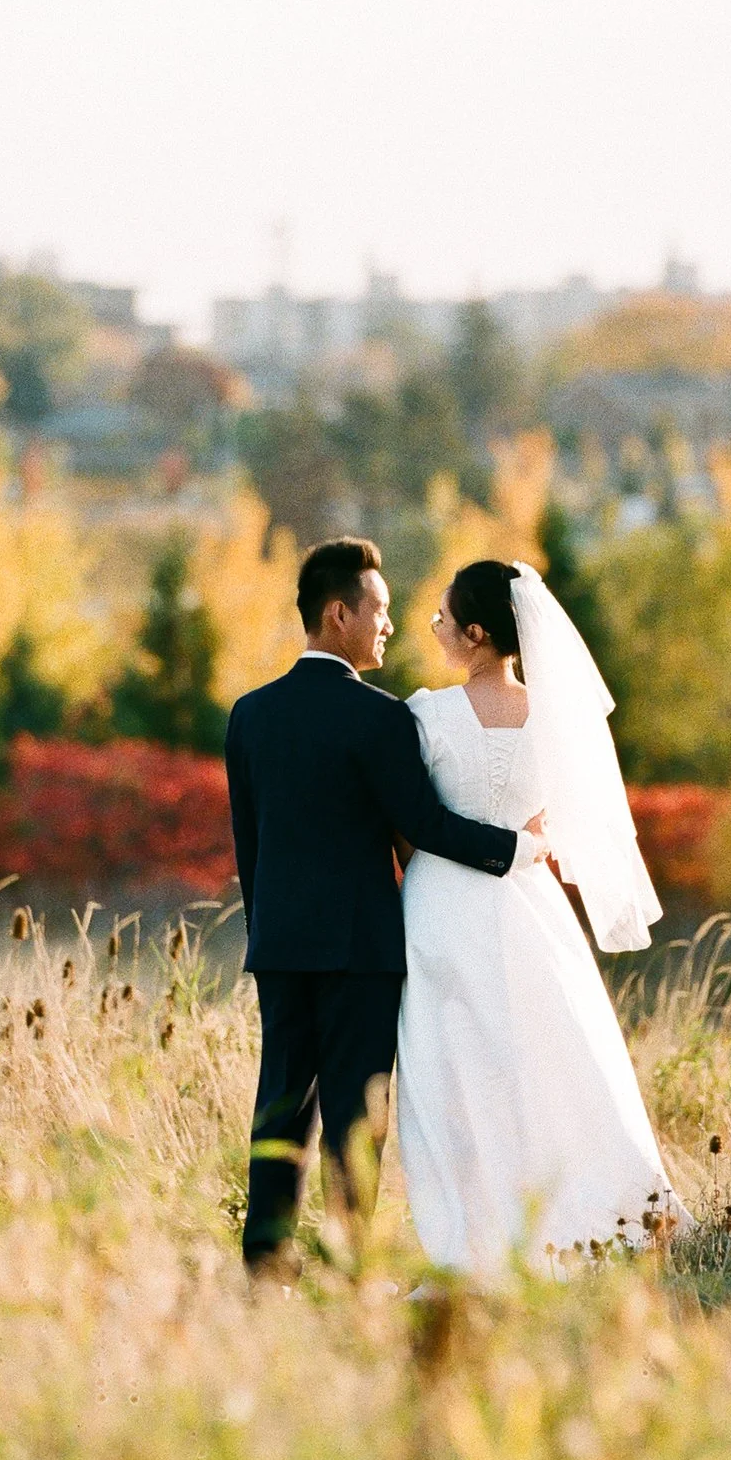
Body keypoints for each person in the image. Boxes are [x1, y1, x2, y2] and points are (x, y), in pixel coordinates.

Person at [223, 537, 547, 1278]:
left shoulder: (249, 716)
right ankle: (349, 1265)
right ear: (338, 614)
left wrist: (267, 934)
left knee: (279, 1108)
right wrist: (519, 850)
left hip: (279, 947)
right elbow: (426, 828)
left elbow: (251, 849)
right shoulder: (382, 719)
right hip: (363, 953)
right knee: (355, 1121)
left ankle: (264, 1266)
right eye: (380, 610)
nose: (389, 625)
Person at [395, 559, 689, 1279]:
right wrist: (529, 837)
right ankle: (574, 1216)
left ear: (475, 632)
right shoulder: (554, 720)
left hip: (437, 904)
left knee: (452, 1070)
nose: (432, 627)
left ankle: (472, 1236)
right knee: (544, 1058)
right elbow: (559, 819)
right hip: (528, 902)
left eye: (442, 617)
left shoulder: (427, 714)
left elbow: (411, 827)